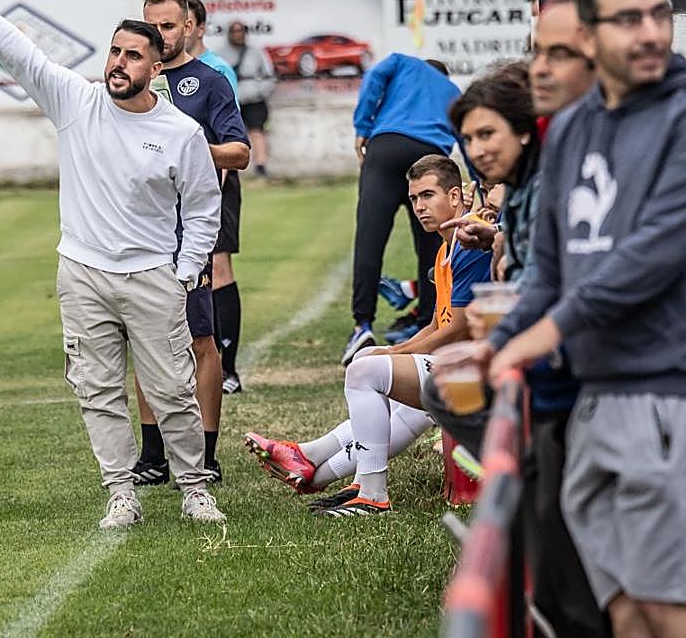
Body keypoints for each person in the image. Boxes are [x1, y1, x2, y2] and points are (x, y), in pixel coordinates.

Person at [0, 0, 226, 529]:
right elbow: (18, 50)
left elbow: (205, 206)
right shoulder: (74, 102)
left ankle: (194, 487)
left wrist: (185, 272)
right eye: (114, 52)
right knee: (97, 390)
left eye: (133, 56)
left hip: (154, 276)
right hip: (82, 274)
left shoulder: (181, 132)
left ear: (156, 68)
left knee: (173, 391)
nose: (118, 64)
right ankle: (120, 492)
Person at [476, 0, 686, 637]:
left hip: (665, 396)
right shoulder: (570, 128)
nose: (652, 33)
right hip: (596, 397)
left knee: (666, 605)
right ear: (595, 37)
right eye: (630, 19)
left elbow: (652, 253)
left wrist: (543, 334)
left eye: (660, 15)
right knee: (623, 607)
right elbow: (551, 272)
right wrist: (499, 347)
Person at [426, 63, 609, 638]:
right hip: (551, 376)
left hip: (578, 381)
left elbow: (555, 280)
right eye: (469, 139)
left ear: (526, 130)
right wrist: (499, 236)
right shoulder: (526, 186)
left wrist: (502, 340)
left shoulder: (561, 178)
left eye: (488, 135)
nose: (477, 151)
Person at [245, 155, 491, 516]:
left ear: (456, 196)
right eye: (414, 199)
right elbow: (439, 324)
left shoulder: (469, 242)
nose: (420, 207)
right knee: (370, 370)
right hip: (454, 368)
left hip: (472, 373)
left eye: (428, 195)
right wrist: (396, 351)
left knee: (365, 371)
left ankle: (372, 494)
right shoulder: (445, 249)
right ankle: (312, 466)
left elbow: (457, 328)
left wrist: (393, 356)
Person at [132, 0, 249, 485]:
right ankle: (153, 454)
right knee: (145, 340)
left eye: (167, 26)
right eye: (151, 25)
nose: (159, 34)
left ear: (188, 28)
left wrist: (191, 147)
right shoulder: (131, 82)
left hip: (190, 231)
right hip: (137, 231)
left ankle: (204, 453)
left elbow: (239, 151)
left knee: (200, 340)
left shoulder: (207, 83)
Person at [344, 54, 461, 364]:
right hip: (431, 156)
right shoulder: (453, 92)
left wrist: (362, 126)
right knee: (433, 245)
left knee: (370, 239)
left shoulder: (402, 62)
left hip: (385, 147)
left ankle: (362, 325)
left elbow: (374, 77)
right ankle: (428, 323)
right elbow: (466, 136)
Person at [183, 0, 247, 395]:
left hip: (215, 177)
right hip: (177, 186)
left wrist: (217, 185)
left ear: (199, 27)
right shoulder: (160, 73)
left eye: (183, 23)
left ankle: (228, 368)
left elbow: (231, 140)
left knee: (217, 266)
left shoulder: (217, 71)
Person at [217, 21, 275, 177]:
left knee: (257, 131)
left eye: (240, 31)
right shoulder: (221, 55)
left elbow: (269, 75)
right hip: (230, 101)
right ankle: (228, 168)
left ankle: (261, 166)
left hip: (254, 100)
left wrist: (260, 91)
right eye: (234, 31)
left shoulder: (256, 53)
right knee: (228, 136)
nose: (238, 34)